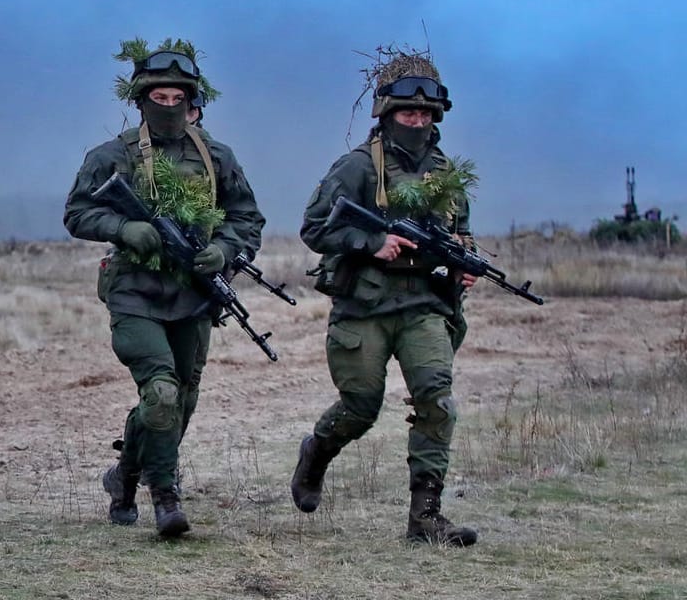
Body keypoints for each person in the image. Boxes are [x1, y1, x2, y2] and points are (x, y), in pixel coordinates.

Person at [64, 40, 265, 537]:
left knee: (182, 400)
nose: (169, 106)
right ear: (141, 100)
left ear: (192, 98)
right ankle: (166, 496)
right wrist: (122, 229)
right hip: (135, 292)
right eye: (160, 97)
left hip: (193, 295)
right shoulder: (111, 156)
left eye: (179, 97)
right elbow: (77, 213)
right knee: (160, 393)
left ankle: (125, 475)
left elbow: (247, 219)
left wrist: (225, 250)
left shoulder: (217, 156)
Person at [291, 49, 479, 546]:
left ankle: (426, 519)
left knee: (437, 402)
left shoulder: (447, 176)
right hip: (365, 306)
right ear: (386, 114)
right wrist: (370, 243)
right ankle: (316, 453)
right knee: (360, 407)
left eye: (423, 114)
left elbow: (462, 233)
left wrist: (465, 261)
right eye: (406, 113)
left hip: (424, 307)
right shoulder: (355, 168)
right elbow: (314, 227)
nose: (416, 121)